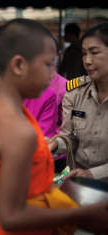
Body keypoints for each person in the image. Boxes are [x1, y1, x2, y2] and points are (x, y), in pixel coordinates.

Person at [0, 18, 108, 234]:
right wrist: (83, 214)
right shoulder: (20, 131)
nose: (53, 74)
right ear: (18, 65)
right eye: (48, 64)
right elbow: (12, 217)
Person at [49, 23, 108, 181]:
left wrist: (92, 174)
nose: (87, 61)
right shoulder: (76, 93)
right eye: (84, 54)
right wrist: (54, 145)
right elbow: (68, 137)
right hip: (79, 184)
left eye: (94, 53)